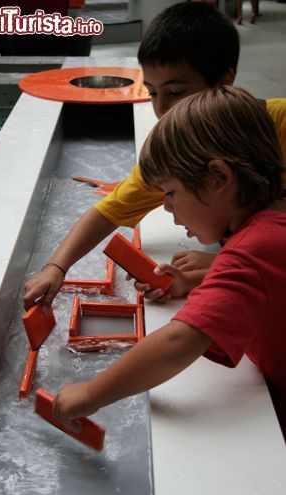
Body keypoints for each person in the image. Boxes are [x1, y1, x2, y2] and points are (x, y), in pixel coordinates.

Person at [52, 86, 286, 439]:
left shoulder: (254, 249)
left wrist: (89, 394)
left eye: (171, 193)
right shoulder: (271, 224)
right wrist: (199, 279)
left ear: (218, 178)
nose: (167, 208)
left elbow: (178, 344)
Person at [23, 2, 286, 309]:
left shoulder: (278, 123)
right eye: (152, 92)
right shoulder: (178, 154)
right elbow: (108, 211)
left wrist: (229, 264)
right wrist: (56, 266)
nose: (161, 109)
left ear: (223, 81)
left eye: (176, 92)